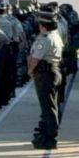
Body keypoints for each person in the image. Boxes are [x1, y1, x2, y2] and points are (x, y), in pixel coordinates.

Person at [28, 10, 63, 150]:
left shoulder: (46, 39)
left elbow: (36, 58)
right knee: (50, 106)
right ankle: (48, 134)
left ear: (43, 25)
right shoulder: (55, 35)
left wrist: (30, 71)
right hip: (53, 71)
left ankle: (50, 137)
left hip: (46, 73)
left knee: (48, 107)